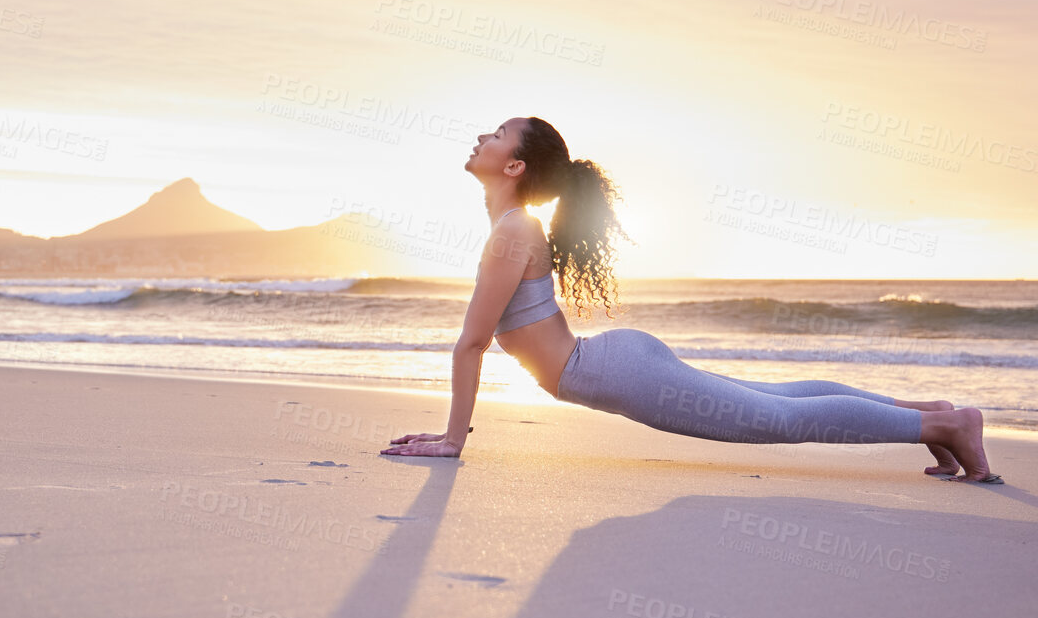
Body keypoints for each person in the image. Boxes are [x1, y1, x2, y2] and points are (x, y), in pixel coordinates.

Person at [379, 116, 1000, 483]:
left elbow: (473, 342)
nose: (482, 136)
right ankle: (931, 412)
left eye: (497, 133)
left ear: (514, 167)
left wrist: (453, 438)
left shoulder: (512, 232)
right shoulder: (513, 228)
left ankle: (947, 423)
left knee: (776, 420)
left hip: (615, 373)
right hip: (615, 363)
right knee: (776, 401)